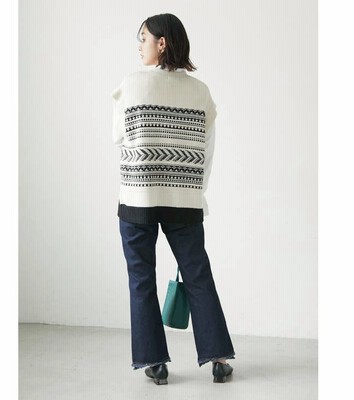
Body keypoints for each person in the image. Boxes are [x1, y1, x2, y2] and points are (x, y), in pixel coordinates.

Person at [111, 13, 235, 384]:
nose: (139, 46)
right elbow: (207, 152)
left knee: (141, 279)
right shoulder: (200, 92)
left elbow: (118, 137)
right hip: (185, 199)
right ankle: (218, 358)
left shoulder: (131, 85)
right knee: (198, 276)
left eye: (143, 38)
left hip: (137, 197)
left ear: (161, 42)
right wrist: (195, 193)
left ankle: (155, 363)